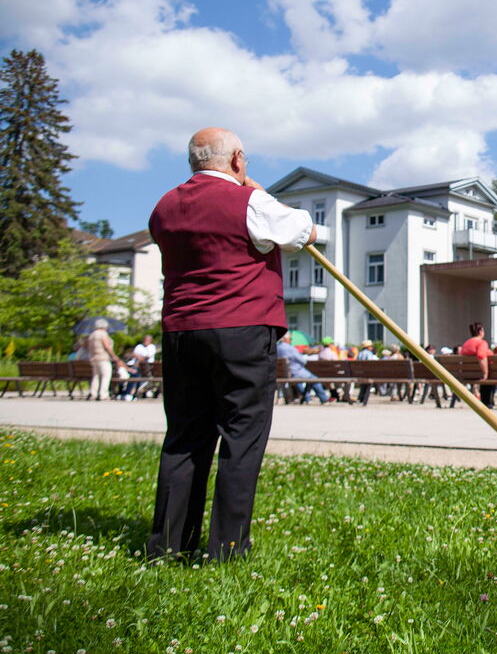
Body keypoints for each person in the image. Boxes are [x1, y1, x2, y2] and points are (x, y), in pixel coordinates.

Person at [146, 127, 315, 563]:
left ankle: (168, 545)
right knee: (241, 436)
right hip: (241, 327)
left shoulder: (163, 207)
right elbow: (300, 229)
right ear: (238, 159)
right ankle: (227, 549)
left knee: (185, 437)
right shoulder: (249, 201)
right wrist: (256, 190)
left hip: (181, 331)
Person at [277, 332, 330, 405]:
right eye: (290, 339)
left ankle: (307, 398)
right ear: (286, 339)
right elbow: (303, 361)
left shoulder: (277, 348)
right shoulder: (290, 348)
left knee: (299, 381)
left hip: (282, 373)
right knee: (314, 379)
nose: (291, 341)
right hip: (295, 372)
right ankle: (324, 399)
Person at [460, 322, 495, 407]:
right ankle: (487, 402)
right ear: (480, 331)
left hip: (466, 373)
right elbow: (481, 356)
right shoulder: (481, 343)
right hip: (478, 374)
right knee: (488, 378)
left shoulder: (466, 344)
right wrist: (485, 373)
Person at [86, 319, 120, 401]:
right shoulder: (103, 334)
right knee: (106, 376)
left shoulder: (92, 335)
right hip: (103, 358)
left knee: (96, 376)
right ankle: (103, 394)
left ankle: (93, 393)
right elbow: (106, 346)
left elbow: (89, 347)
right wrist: (113, 356)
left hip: (94, 358)